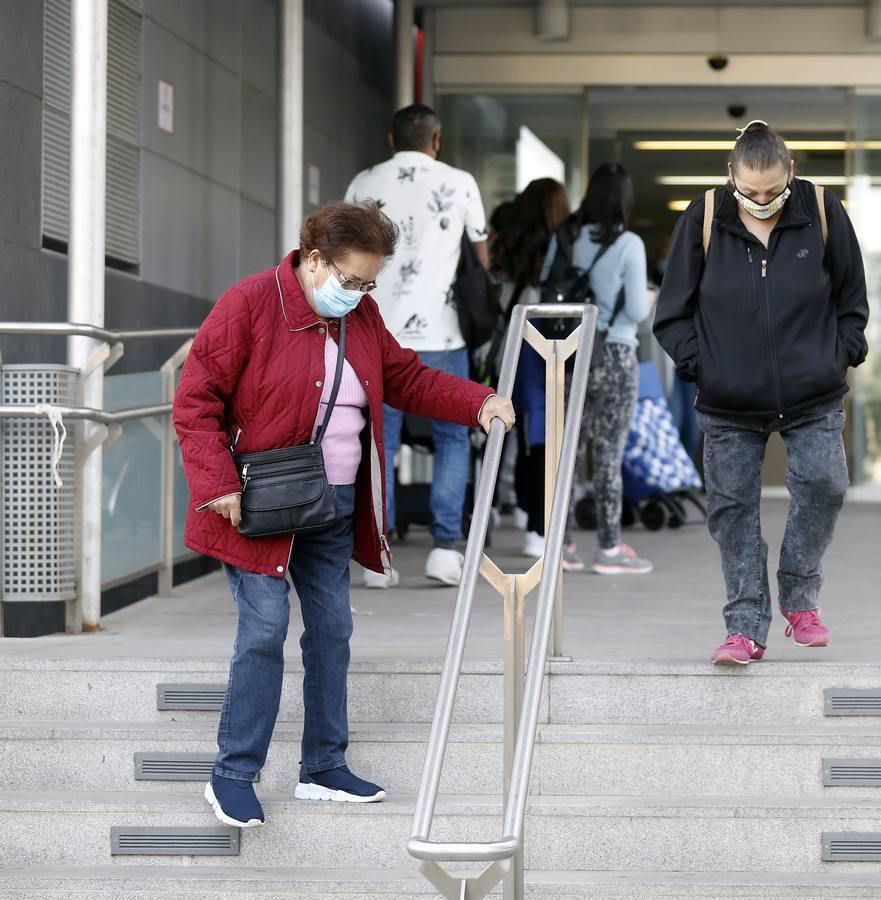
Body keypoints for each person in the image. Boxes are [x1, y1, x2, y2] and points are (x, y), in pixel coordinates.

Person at [174, 201, 515, 830]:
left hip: (332, 504)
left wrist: (480, 400)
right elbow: (195, 400)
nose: (357, 294)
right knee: (264, 631)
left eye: (368, 284)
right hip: (259, 505)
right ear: (313, 260)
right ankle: (232, 774)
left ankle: (323, 766)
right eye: (350, 280)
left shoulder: (362, 318)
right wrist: (216, 481)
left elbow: (407, 378)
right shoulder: (249, 304)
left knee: (332, 634)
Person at [655, 121, 869, 665]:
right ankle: (746, 626)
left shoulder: (822, 212)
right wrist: (705, 368)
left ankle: (800, 598)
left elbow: (852, 297)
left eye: (773, 191)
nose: (762, 201)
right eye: (749, 192)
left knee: (825, 484)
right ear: (731, 176)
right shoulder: (703, 218)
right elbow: (672, 314)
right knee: (731, 510)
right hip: (729, 399)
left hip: (812, 391)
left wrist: (839, 353)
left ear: (790, 173)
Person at [344, 104, 489, 588]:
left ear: (391, 138)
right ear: (437, 139)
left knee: (379, 440)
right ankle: (445, 549)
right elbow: (480, 252)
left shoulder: (363, 183)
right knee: (452, 437)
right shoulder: (460, 182)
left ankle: (378, 555)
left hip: (375, 333)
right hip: (443, 332)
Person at [542, 163, 655, 575]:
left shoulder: (566, 237)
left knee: (567, 452)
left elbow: (545, 286)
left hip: (568, 352)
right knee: (608, 453)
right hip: (614, 354)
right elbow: (639, 311)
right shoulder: (628, 244)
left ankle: (562, 545)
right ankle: (609, 547)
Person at [491, 178, 585, 569]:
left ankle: (501, 510)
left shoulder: (507, 243)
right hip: (544, 344)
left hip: (506, 346)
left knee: (508, 431)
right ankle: (538, 527)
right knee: (542, 439)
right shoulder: (558, 245)